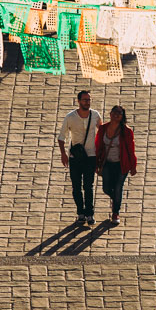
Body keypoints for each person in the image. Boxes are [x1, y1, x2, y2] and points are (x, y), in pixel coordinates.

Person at [58, 90, 102, 226]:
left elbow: (102, 132)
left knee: (88, 186)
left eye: (88, 100)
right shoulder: (70, 117)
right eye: (84, 100)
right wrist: (63, 154)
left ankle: (90, 213)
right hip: (75, 157)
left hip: (91, 156)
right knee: (76, 186)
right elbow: (61, 137)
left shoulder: (95, 115)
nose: (87, 102)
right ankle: (80, 212)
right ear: (78, 101)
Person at [95, 105, 137, 225]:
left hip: (121, 164)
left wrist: (133, 166)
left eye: (119, 113)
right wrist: (96, 163)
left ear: (122, 116)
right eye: (114, 112)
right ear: (110, 114)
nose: (116, 115)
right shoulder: (103, 128)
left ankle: (115, 212)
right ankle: (116, 199)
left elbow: (130, 149)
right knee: (106, 188)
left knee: (118, 187)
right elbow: (98, 146)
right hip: (107, 162)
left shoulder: (127, 131)